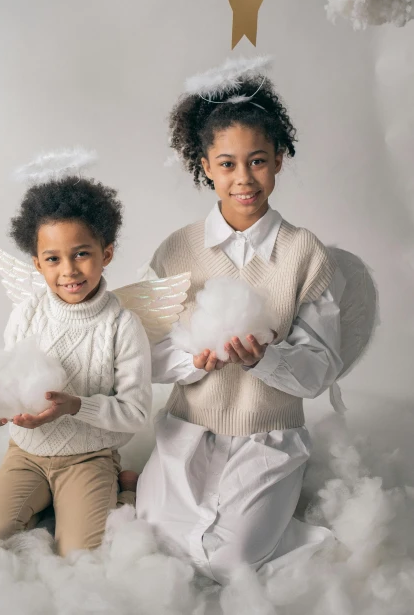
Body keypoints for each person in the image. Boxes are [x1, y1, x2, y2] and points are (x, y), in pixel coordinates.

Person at [136, 58, 346, 585]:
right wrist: (191, 360)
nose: (243, 179)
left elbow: (321, 370)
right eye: (227, 164)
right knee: (156, 549)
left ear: (279, 158)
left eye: (257, 161)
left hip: (267, 437)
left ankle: (281, 523)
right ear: (204, 164)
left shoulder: (305, 253)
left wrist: (266, 358)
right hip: (188, 430)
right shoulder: (178, 249)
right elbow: (140, 349)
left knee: (230, 565)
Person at [0, 171, 152, 556]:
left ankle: (125, 490)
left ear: (106, 253)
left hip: (87, 457)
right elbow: (8, 379)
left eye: (81, 254)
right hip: (27, 454)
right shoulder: (26, 315)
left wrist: (77, 406)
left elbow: (136, 413)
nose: (69, 270)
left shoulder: (122, 326)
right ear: (38, 264)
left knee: (79, 555)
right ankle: (51, 500)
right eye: (53, 258)